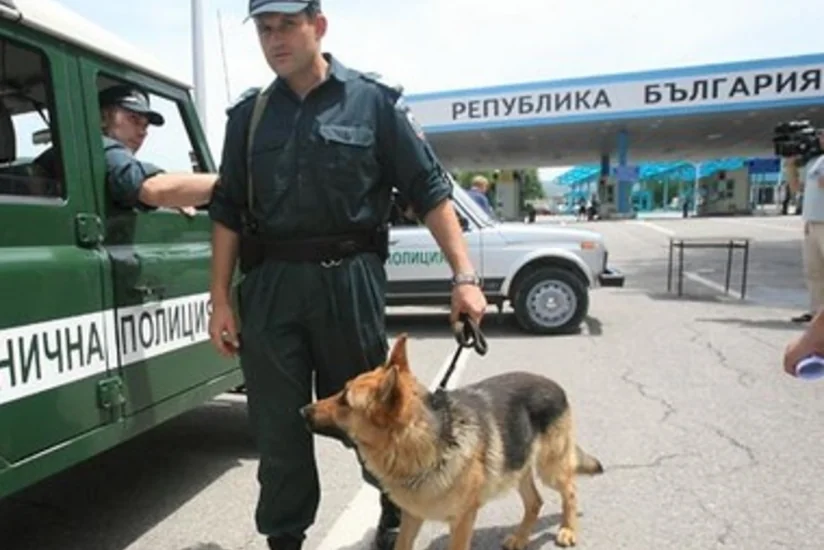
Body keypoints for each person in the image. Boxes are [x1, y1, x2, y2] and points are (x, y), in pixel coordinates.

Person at [206, 2, 487, 550]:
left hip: (348, 281)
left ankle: (391, 510)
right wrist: (219, 297)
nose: (275, 38)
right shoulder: (248, 117)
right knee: (279, 424)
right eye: (265, 29)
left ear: (319, 26)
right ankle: (284, 536)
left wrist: (464, 276)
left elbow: (430, 191)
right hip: (270, 286)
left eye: (287, 24)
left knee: (373, 414)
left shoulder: (373, 103)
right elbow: (227, 211)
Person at [34, 84, 217, 214]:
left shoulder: (72, 152)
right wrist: (233, 183)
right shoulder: (100, 147)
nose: (142, 132)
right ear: (102, 118)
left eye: (145, 126)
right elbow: (149, 188)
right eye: (133, 119)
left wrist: (174, 195)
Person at [786, 130, 824, 323]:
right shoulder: (814, 162)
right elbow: (797, 188)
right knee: (814, 270)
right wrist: (790, 166)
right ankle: (816, 311)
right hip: (813, 221)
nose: (821, 139)